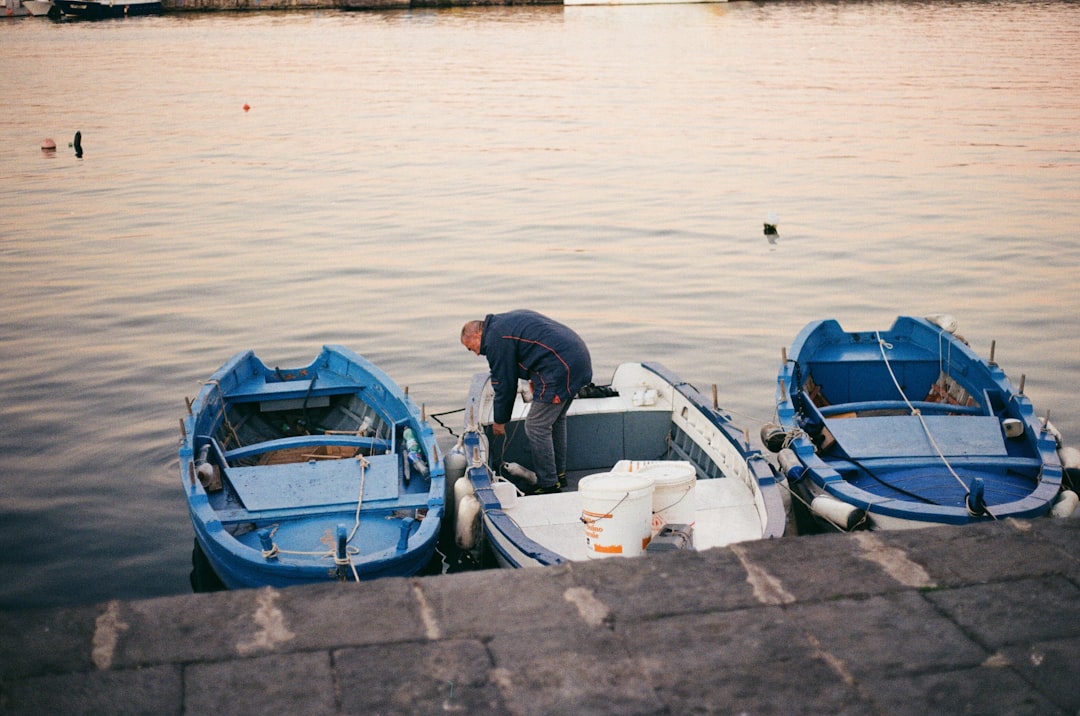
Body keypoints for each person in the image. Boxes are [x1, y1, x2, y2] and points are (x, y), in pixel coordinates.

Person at [461, 310, 592, 495]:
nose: (475, 353)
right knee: (555, 420)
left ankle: (548, 484)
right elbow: (533, 347)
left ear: (477, 335)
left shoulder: (495, 340)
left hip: (560, 368)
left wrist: (500, 421)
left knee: (536, 426)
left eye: (470, 347)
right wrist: (534, 379)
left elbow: (504, 383)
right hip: (576, 361)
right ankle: (558, 474)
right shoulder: (502, 324)